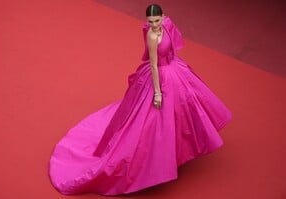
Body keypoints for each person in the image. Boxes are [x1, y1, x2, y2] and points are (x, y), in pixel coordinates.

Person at [49, 4, 232, 196]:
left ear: (163, 18)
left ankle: (176, 153)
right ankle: (155, 163)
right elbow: (153, 65)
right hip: (158, 77)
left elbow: (174, 47)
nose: (153, 25)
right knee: (152, 122)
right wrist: (158, 92)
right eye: (150, 22)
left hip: (174, 72)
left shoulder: (167, 25)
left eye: (156, 21)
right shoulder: (152, 37)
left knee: (180, 112)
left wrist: (177, 68)